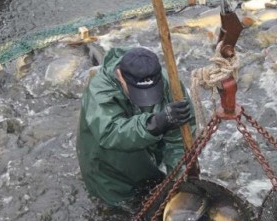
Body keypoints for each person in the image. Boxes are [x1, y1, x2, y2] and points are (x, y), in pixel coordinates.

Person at [76, 46, 194, 206]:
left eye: (152, 92)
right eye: (138, 92)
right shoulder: (99, 90)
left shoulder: (170, 84)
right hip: (107, 166)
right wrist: (155, 124)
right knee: (117, 211)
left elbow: (179, 141)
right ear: (120, 76)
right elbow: (110, 133)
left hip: (146, 157)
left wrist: (180, 181)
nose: (148, 100)